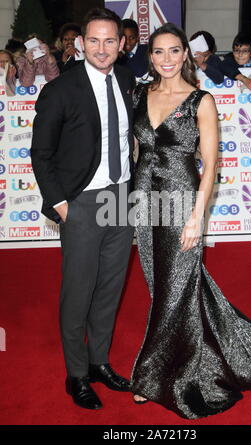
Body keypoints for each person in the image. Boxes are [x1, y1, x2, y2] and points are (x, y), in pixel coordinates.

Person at [130, 22, 251, 419]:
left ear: (185, 55)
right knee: (166, 287)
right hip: (144, 203)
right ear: (150, 56)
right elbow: (137, 151)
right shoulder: (138, 93)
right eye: (159, 51)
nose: (167, 59)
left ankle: (153, 375)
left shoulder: (200, 100)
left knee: (174, 289)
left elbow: (211, 166)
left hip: (181, 203)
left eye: (175, 51)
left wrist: (196, 217)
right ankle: (198, 355)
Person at [31, 8, 135, 410]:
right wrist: (61, 204)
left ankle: (99, 363)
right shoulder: (60, 90)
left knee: (109, 288)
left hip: (121, 198)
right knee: (78, 292)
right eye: (94, 40)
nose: (102, 48)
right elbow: (41, 154)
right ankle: (76, 375)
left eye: (110, 40)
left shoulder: (127, 80)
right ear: (80, 43)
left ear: (122, 44)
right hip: (82, 203)